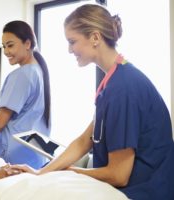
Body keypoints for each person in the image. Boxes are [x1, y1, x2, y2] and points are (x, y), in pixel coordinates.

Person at [11, 4, 174, 200]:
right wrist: (41, 173)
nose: (69, 49)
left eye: (72, 41)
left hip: (144, 192)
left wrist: (69, 172)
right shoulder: (112, 82)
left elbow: (118, 175)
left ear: (95, 37)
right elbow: (83, 142)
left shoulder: (124, 87)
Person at [0, 20, 51, 169]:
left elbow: (0, 122)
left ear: (27, 43)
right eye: (4, 46)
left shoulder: (21, 75)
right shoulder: (39, 71)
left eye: (10, 45)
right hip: (35, 155)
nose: (6, 51)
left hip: (14, 156)